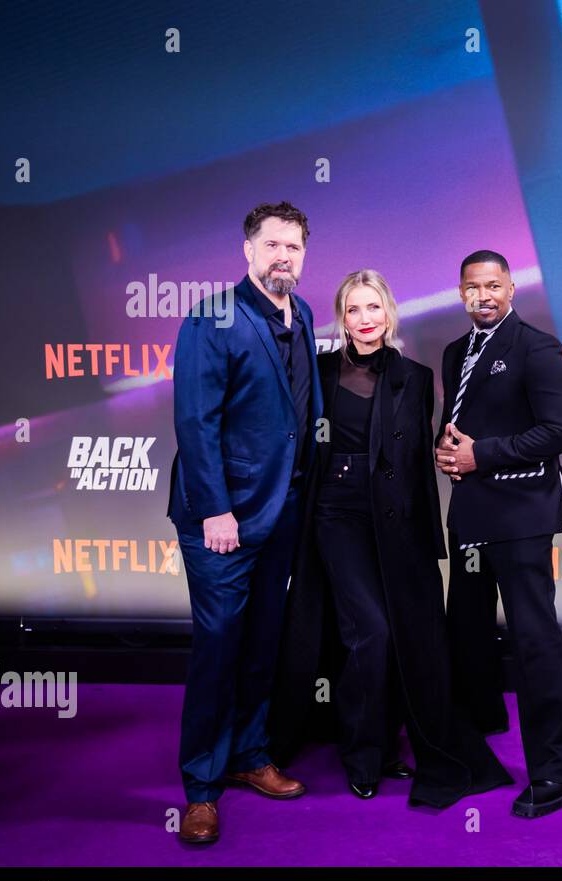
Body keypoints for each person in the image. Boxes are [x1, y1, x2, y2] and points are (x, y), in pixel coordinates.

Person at [269, 269, 513, 806]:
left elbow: (415, 466)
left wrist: (429, 537)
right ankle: (363, 755)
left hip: (395, 519)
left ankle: (386, 747)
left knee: (402, 634)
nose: (365, 320)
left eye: (374, 308)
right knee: (370, 632)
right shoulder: (321, 370)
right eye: (354, 310)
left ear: (389, 313)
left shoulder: (416, 377)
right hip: (335, 514)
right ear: (342, 317)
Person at [167, 201, 320, 844]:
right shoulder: (212, 317)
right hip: (222, 520)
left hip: (284, 511)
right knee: (218, 648)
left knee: (262, 643)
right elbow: (195, 421)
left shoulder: (304, 313)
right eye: (273, 244)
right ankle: (201, 788)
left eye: (294, 246)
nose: (284, 255)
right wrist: (215, 509)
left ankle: (250, 756)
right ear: (248, 251)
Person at [434, 249, 562, 818]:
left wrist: (480, 457)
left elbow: (555, 433)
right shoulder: (455, 353)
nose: (484, 296)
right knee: (467, 638)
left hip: (522, 518)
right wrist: (450, 455)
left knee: (534, 642)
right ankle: (476, 752)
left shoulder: (538, 347)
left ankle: (556, 771)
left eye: (493, 285)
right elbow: (466, 426)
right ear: (462, 292)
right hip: (470, 515)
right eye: (473, 287)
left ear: (511, 288)